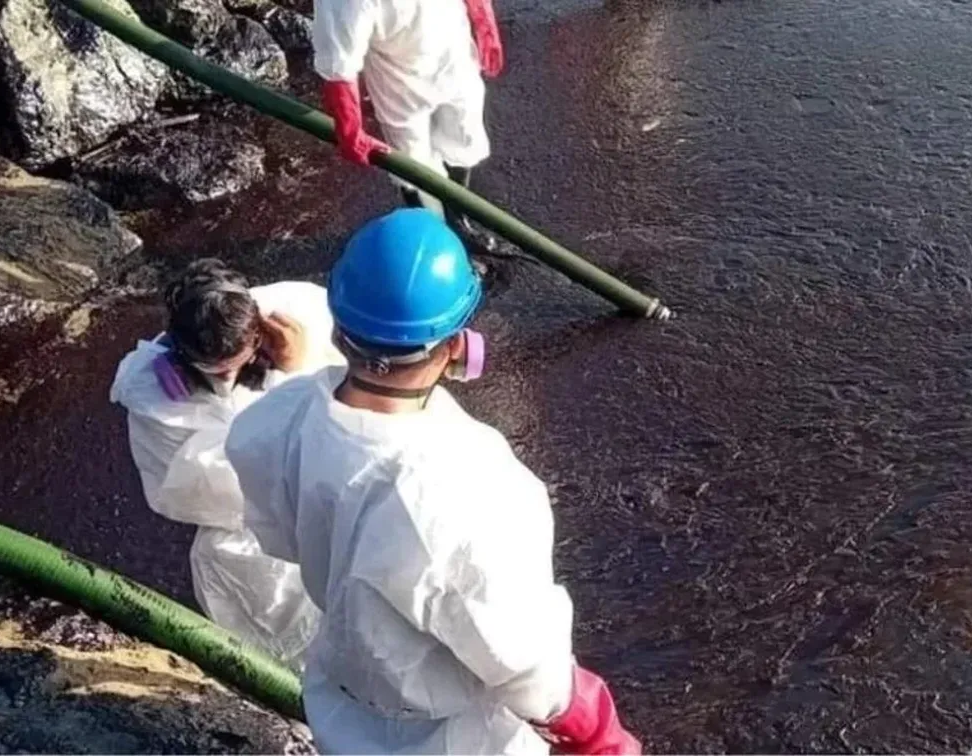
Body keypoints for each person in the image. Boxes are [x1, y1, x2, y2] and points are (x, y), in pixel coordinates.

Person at [224, 209, 641, 755]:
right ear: (455, 347)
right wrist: (592, 726)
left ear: (339, 326)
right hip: (454, 734)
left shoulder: (272, 421)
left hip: (344, 698)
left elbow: (278, 536)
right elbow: (520, 657)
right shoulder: (470, 483)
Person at [109, 259, 346, 667]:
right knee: (279, 630)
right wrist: (288, 380)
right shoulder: (154, 396)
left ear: (261, 331)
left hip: (325, 506)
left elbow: (352, 420)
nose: (229, 375)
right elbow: (230, 487)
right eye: (214, 369)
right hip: (248, 537)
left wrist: (297, 370)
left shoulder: (304, 310)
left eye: (239, 359)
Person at [313, 0, 504, 252]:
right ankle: (430, 235)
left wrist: (485, 26)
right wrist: (351, 132)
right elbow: (339, 64)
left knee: (464, 135)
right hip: (399, 78)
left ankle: (458, 218)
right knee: (410, 162)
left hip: (453, 53)